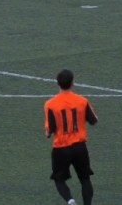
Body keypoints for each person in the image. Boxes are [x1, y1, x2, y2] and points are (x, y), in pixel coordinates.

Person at [44, 69, 99, 205]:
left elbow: (50, 130)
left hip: (61, 148)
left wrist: (48, 133)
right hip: (80, 147)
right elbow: (94, 120)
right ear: (73, 82)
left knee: (59, 179)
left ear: (58, 83)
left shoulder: (50, 104)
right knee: (85, 179)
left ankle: (70, 200)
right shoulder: (82, 101)